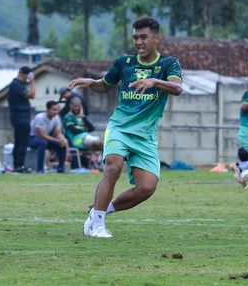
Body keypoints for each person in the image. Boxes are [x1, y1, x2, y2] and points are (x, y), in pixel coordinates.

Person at [68, 16, 183, 238]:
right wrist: (91, 83)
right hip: (119, 127)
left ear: (156, 38)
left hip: (145, 135)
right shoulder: (124, 62)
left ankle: (98, 211)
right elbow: (105, 85)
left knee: (146, 188)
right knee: (113, 167)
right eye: (135, 37)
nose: (138, 42)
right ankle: (99, 226)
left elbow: (177, 89)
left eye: (144, 37)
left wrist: (155, 82)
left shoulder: (168, 64)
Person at [8, 66, 36, 173]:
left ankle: (17, 166)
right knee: (23, 143)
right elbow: (32, 95)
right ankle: (20, 166)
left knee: (18, 143)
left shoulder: (17, 85)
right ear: (23, 74)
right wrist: (33, 80)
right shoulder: (16, 85)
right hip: (21, 118)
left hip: (18, 118)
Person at [29, 100, 67, 173]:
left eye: (57, 110)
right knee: (43, 143)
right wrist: (56, 140)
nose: (56, 112)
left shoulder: (56, 118)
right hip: (32, 138)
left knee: (62, 144)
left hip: (45, 139)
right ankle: (40, 169)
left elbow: (58, 132)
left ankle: (61, 168)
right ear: (48, 110)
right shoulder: (40, 117)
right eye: (54, 110)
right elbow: (41, 135)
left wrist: (62, 139)